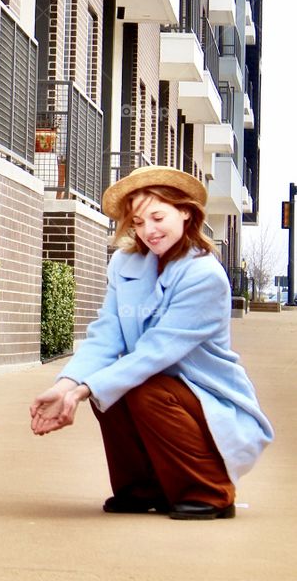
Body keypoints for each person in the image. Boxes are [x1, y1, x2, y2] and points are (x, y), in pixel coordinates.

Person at [29, 166, 273, 520]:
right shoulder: (126, 263)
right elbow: (106, 334)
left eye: (158, 217)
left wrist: (83, 391)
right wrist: (67, 386)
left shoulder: (204, 275)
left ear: (185, 211)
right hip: (161, 389)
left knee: (137, 387)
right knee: (108, 388)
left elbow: (155, 353)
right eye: (139, 222)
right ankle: (141, 489)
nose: (149, 231)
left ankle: (210, 490)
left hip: (207, 396)